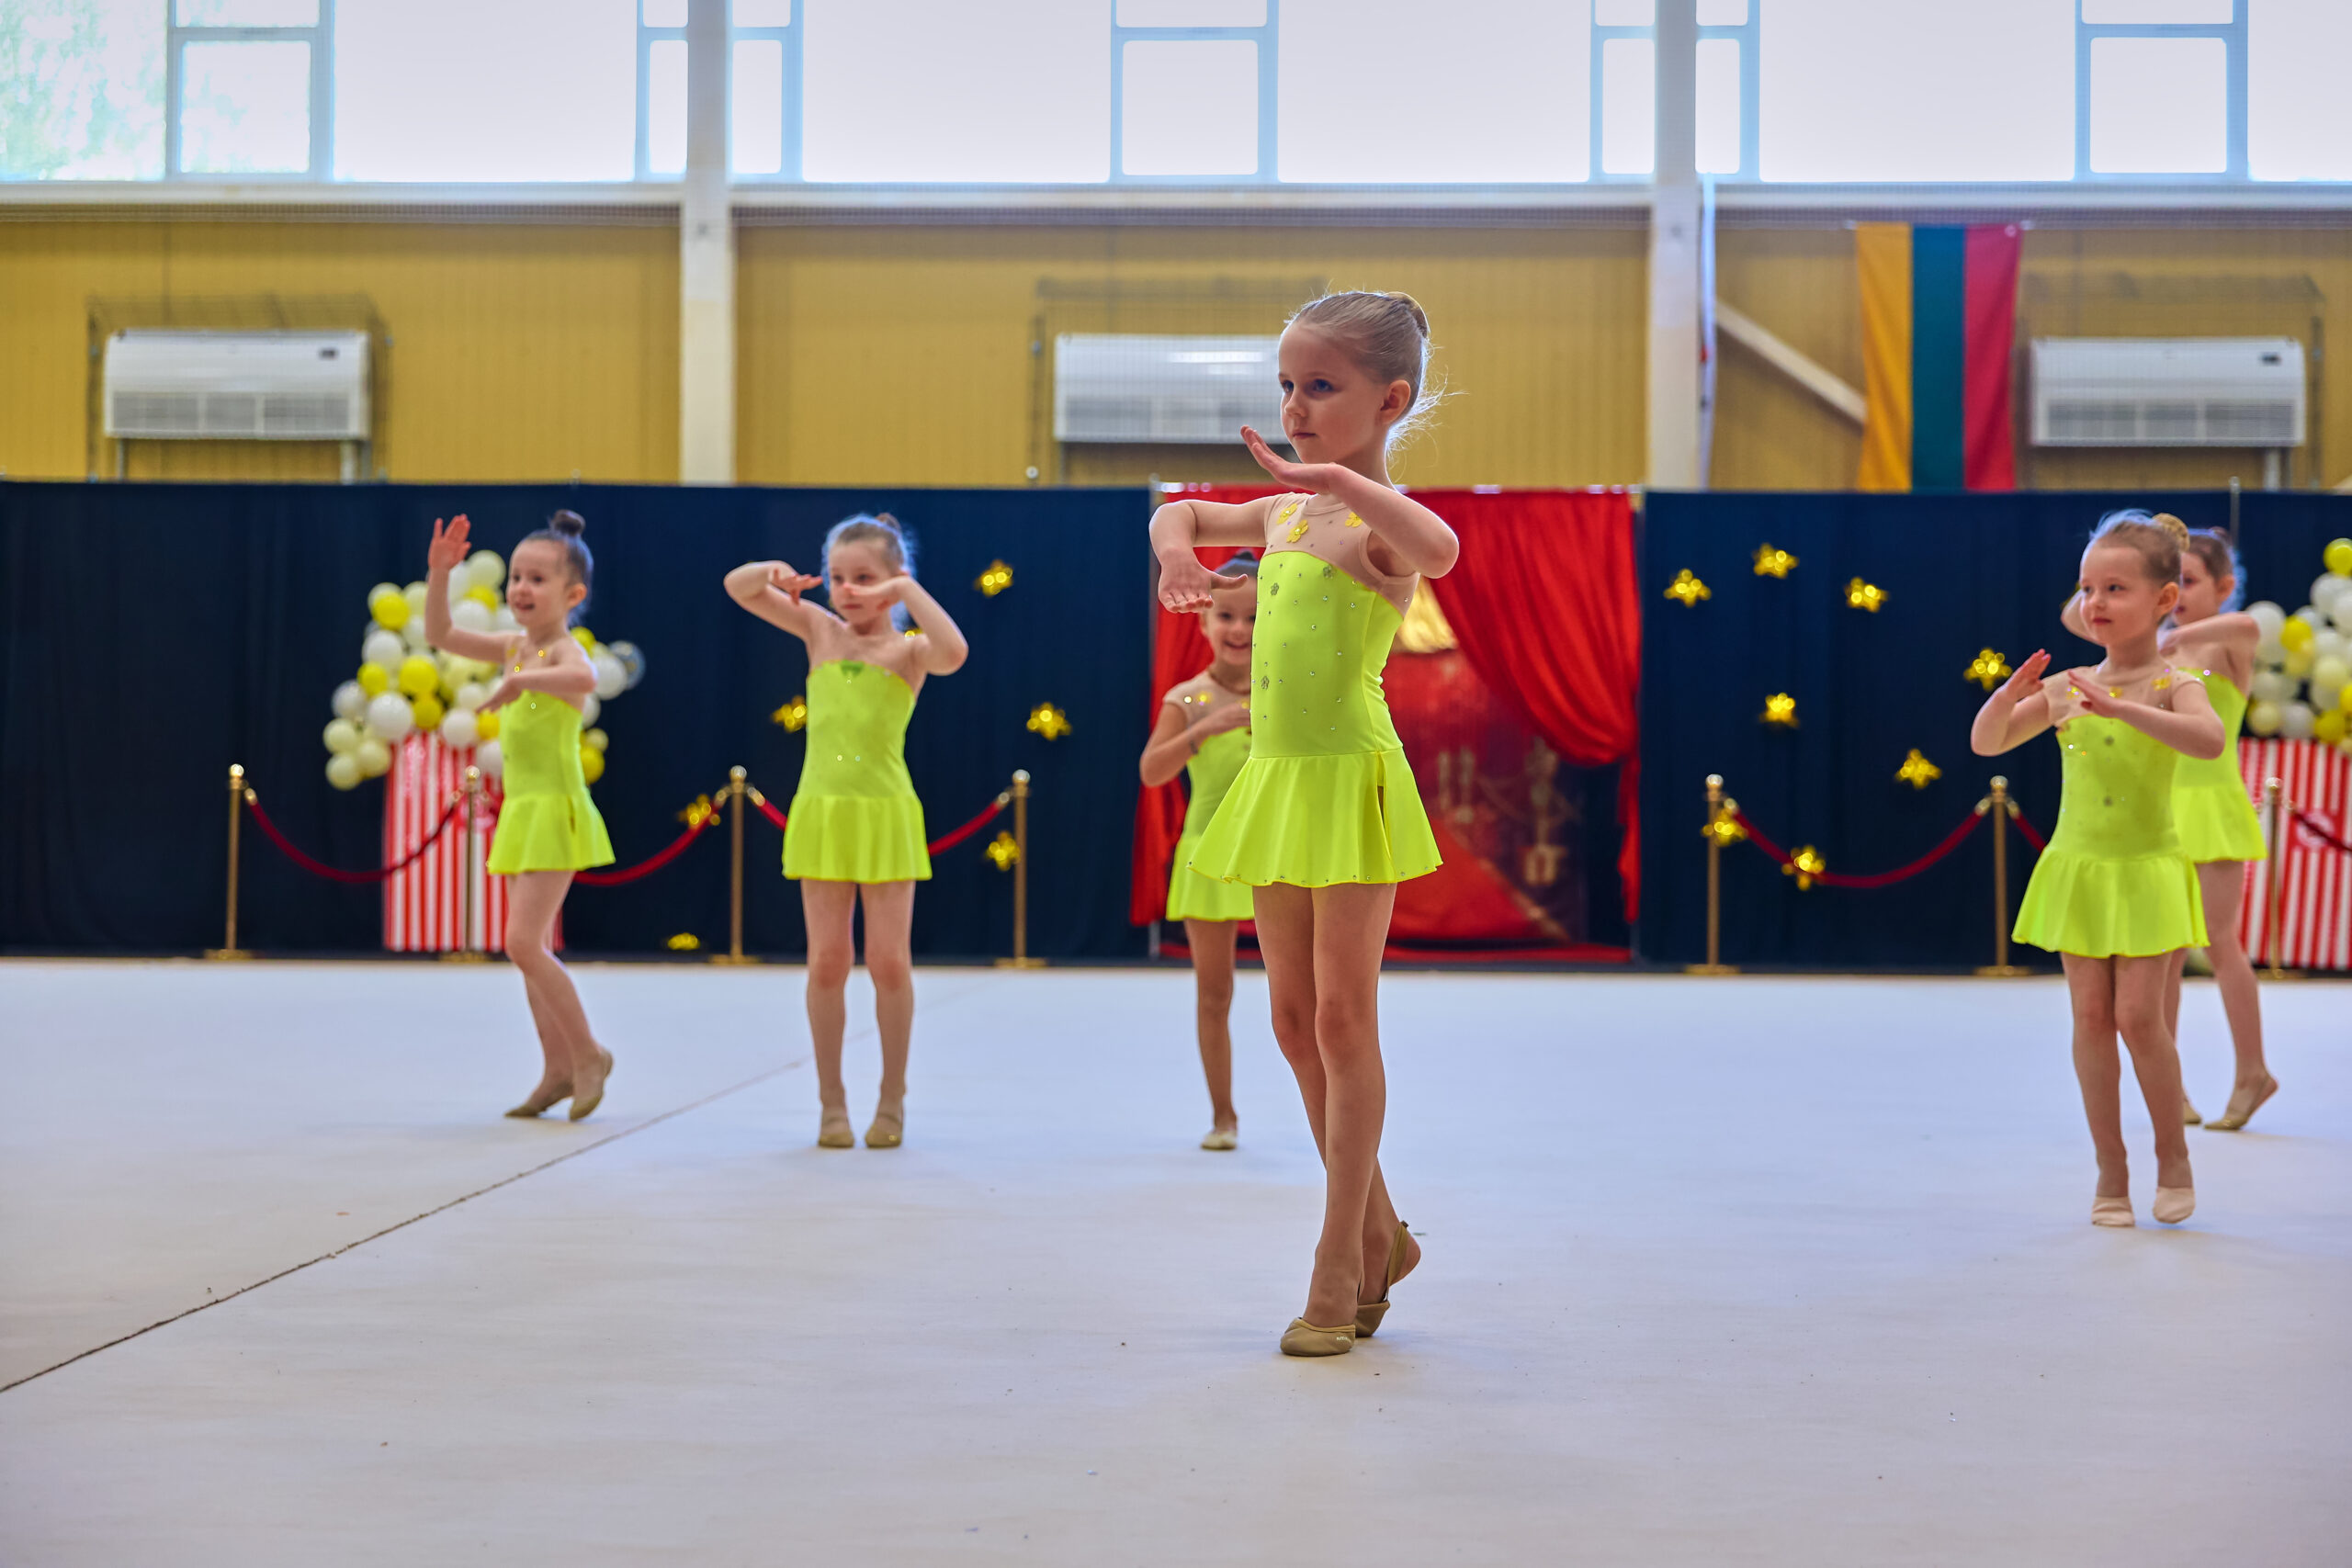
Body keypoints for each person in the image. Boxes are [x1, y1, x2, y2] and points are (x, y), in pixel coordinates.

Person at [1150, 291, 1458, 1356]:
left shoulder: (1373, 523)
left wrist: (1341, 482)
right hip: (1275, 779)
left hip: (1348, 780)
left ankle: (1337, 1258)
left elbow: (1439, 549)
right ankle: (1380, 1232)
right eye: (1285, 384)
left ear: (1390, 401)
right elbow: (1181, 515)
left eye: (1319, 386)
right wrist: (1174, 554)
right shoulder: (1281, 517)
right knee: (1289, 1021)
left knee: (1341, 1022)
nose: (1293, 407)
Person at [1973, 511, 2224, 1227]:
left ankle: (2173, 1155)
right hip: (2080, 866)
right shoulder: (2069, 686)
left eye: (2115, 588)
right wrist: (2005, 697)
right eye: (2088, 588)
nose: (2096, 602)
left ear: (2164, 599)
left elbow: (2208, 741)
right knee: (2090, 1017)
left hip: (2146, 868)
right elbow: (1988, 743)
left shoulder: (2177, 681)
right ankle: (2110, 1170)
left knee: (2140, 1017)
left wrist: (2125, 710)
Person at [724, 514, 967, 1150]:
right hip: (823, 812)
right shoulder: (819, 630)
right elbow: (738, 588)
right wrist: (772, 573)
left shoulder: (908, 652)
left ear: (894, 579)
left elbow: (954, 652)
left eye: (864, 578)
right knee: (827, 962)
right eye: (837, 577)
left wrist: (906, 591)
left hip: (885, 811)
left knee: (889, 962)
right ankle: (831, 1101)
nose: (848, 590)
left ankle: (892, 1097)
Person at [2064, 520, 2275, 1131]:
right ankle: (2172, 1085)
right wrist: (2125, 561)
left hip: (2210, 804)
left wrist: (2171, 629)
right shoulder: (2158, 648)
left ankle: (2253, 1070)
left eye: (2190, 580)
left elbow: (2249, 626)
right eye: (2171, 580)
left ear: (2223, 586)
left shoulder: (2222, 643)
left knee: (2221, 940)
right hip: (2159, 811)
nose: (2179, 593)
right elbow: (2075, 617)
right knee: (2165, 953)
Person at [425, 511, 616, 1121]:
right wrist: (439, 572)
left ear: (573, 595)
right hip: (523, 809)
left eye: (538, 579)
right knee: (527, 952)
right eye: (516, 577)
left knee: (522, 943)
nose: (521, 589)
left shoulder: (562, 650)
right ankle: (557, 1069)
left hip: (556, 808)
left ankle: (589, 1054)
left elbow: (585, 675)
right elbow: (441, 633)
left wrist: (521, 685)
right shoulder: (514, 647)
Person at [1137, 554, 1259, 1152]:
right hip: (1209, 853)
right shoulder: (1188, 698)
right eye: (1227, 616)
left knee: (1308, 995)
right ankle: (1223, 1115)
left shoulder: (1290, 692)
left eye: (1255, 617)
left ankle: (1330, 1114)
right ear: (1204, 621)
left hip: (1281, 852)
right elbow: (1151, 770)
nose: (1239, 629)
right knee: (1214, 995)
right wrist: (1202, 729)